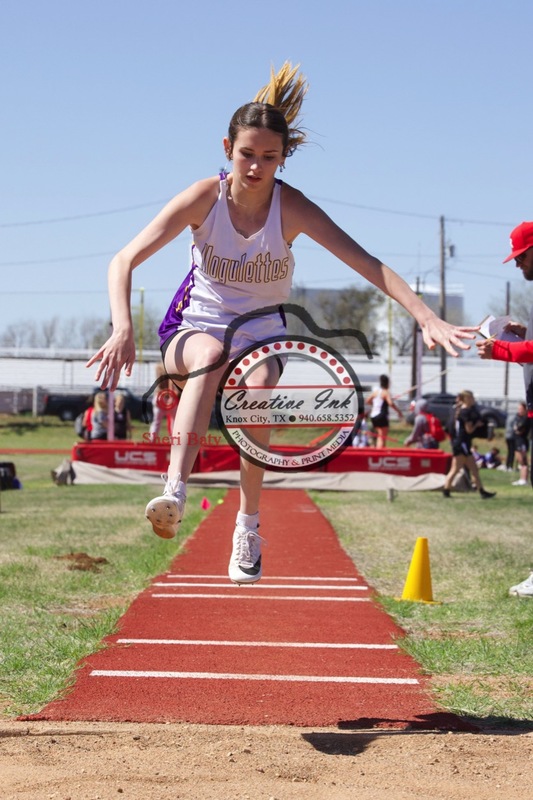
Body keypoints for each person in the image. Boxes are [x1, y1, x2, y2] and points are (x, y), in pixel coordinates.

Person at [87, 62, 478, 585]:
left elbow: (367, 264)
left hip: (262, 333)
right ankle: (175, 491)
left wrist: (426, 315)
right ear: (227, 147)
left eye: (269, 158)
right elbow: (123, 259)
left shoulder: (290, 208)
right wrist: (121, 328)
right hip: (195, 328)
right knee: (209, 356)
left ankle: (247, 526)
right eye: (247, 154)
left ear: (283, 158)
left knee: (263, 384)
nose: (255, 167)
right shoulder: (205, 198)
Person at [442, 390, 496, 500]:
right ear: (466, 398)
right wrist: (477, 424)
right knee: (456, 469)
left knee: (474, 469)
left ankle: (482, 491)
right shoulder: (465, 412)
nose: (473, 400)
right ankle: (446, 490)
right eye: (471, 398)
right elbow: (469, 430)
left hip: (462, 443)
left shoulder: (459, 410)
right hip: (462, 443)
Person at [366, 374, 404, 448]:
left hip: (373, 416)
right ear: (387, 383)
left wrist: (373, 405)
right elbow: (390, 403)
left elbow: (367, 401)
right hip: (381, 415)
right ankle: (380, 454)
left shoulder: (376, 392)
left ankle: (379, 451)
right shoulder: (386, 392)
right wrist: (398, 411)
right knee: (382, 436)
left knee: (380, 435)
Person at [148, 362, 179, 442]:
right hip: (167, 397)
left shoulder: (158, 372)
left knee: (157, 421)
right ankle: (174, 439)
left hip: (159, 397)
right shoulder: (170, 374)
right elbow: (172, 388)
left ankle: (152, 439)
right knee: (174, 420)